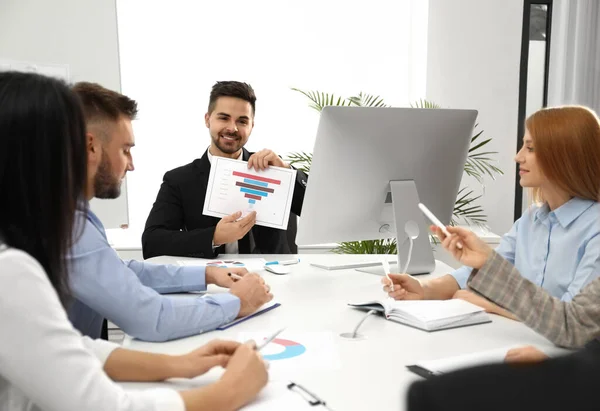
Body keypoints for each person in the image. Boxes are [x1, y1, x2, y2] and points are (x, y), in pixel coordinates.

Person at [0, 71, 267, 411]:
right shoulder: (15, 265)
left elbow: (66, 344)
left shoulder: (59, 220)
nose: (132, 164)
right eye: (125, 149)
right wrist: (227, 392)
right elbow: (145, 320)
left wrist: (180, 363)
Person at [67, 82, 273, 342]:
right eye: (125, 150)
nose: (131, 165)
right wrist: (236, 303)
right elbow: (152, 318)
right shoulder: (69, 229)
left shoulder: (74, 215)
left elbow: (123, 271)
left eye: (242, 120)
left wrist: (208, 274)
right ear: (91, 147)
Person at [383, 106, 600, 319]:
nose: (518, 157)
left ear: (565, 155)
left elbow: (574, 318)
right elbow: (484, 272)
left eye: (530, 148)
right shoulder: (530, 221)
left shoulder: (595, 229)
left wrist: (490, 305)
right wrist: (424, 289)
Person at [142, 81, 308, 259]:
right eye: (224, 118)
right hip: (212, 282)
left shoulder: (272, 169)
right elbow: (152, 243)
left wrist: (287, 171)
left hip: (275, 279)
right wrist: (214, 237)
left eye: (242, 121)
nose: (232, 128)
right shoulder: (179, 180)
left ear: (252, 126)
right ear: (207, 119)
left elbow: (318, 212)